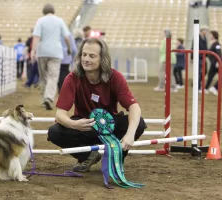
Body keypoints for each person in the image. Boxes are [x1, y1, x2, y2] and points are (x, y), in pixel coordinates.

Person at [47, 38, 147, 173]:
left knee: (139, 123)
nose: (86, 59)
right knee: (54, 132)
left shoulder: (115, 77)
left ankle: (116, 158)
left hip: (110, 125)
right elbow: (60, 113)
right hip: (84, 126)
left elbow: (134, 107)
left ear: (102, 59)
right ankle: (87, 156)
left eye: (92, 56)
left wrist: (130, 134)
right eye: (84, 54)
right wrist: (73, 124)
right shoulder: (72, 78)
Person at [31, 3, 71, 110]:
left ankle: (45, 98)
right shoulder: (60, 21)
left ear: (44, 11)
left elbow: (36, 36)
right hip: (56, 52)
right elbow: (67, 37)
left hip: (42, 52)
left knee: (43, 77)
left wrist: (32, 51)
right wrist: (69, 48)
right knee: (53, 77)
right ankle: (48, 98)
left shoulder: (40, 20)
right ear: (53, 11)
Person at [191, 25, 209, 91]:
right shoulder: (197, 37)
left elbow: (206, 48)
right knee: (199, 72)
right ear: (202, 30)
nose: (206, 32)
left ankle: (196, 84)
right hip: (198, 57)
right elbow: (193, 47)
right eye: (205, 30)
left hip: (203, 57)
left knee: (204, 71)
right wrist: (192, 57)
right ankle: (197, 86)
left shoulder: (205, 38)